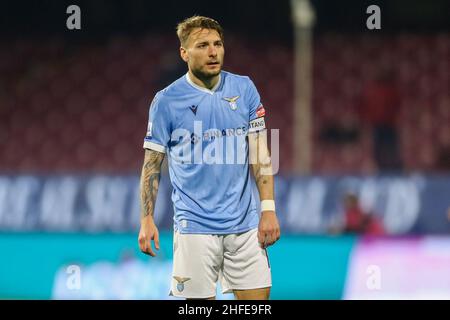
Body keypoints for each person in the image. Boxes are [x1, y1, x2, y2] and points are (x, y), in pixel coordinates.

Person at [138, 16, 280, 300]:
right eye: (202, 45)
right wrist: (147, 218)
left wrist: (268, 209)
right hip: (194, 227)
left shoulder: (244, 89)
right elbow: (152, 164)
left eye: (217, 44)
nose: (213, 52)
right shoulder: (166, 101)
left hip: (245, 226)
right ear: (184, 53)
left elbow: (260, 153)